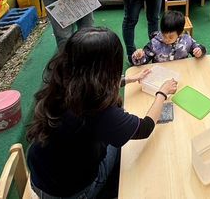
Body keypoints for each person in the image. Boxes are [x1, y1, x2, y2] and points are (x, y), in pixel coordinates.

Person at [26, 27, 178, 198]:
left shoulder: (61, 84)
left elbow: (88, 84)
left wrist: (128, 79)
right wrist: (162, 93)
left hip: (40, 179)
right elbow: (145, 128)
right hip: (71, 193)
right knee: (125, 148)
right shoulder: (99, 112)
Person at [131, 10, 206, 65]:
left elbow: (200, 49)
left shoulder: (187, 40)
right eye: (164, 35)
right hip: (161, 75)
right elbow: (143, 61)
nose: (166, 39)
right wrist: (139, 57)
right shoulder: (154, 43)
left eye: (170, 37)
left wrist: (200, 51)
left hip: (181, 72)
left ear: (180, 33)